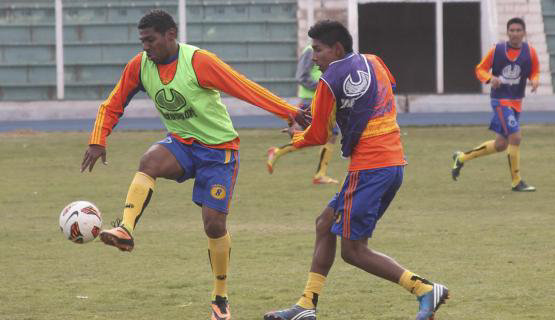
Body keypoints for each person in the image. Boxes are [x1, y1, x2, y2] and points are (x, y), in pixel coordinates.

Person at [80, 9, 299, 320]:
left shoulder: (198, 62)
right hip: (182, 144)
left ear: (171, 35)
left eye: (151, 40)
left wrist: (289, 112)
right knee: (150, 160)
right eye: (142, 41)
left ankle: (220, 298)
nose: (146, 47)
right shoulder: (140, 66)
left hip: (219, 152)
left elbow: (245, 87)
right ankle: (125, 230)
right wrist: (97, 139)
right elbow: (113, 102)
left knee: (213, 225)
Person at [263, 20, 449, 320]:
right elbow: (389, 86)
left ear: (336, 49)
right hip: (391, 163)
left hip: (370, 168)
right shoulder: (374, 61)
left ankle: (425, 289)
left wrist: (297, 135)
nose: (314, 58)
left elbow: (319, 136)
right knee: (325, 223)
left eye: (318, 50)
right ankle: (306, 305)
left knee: (353, 251)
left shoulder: (328, 81)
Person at [451, 17, 539, 192]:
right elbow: (480, 69)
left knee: (501, 145)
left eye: (518, 30)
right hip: (500, 101)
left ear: (524, 33)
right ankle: (516, 181)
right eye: (512, 30)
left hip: (516, 102)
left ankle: (461, 158)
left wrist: (535, 80)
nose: (515, 33)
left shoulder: (530, 52)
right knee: (516, 137)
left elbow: (534, 71)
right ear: (507, 32)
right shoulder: (497, 50)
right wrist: (490, 78)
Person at [266, 45, 339, 185]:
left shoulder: (325, 50)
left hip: (320, 99)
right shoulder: (311, 50)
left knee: (328, 135)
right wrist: (321, 88)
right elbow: (302, 76)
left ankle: (319, 174)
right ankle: (278, 152)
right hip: (311, 100)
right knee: (327, 134)